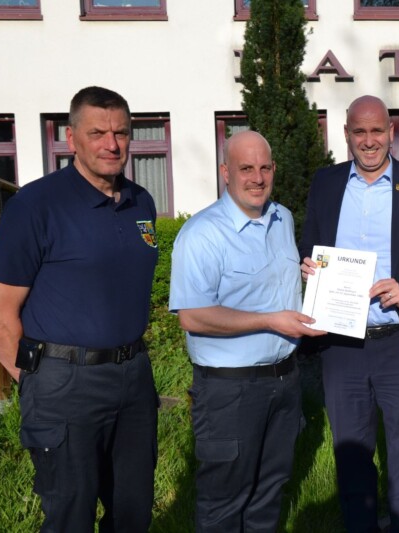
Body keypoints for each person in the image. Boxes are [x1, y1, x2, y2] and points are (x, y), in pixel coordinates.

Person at [0, 86, 159, 532]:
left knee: (133, 514)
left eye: (121, 132)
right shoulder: (35, 205)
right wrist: (34, 384)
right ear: (72, 138)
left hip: (134, 378)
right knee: (70, 517)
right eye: (98, 132)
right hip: (64, 384)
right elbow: (0, 314)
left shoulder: (142, 201)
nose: (112, 143)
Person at [299, 95, 399, 533]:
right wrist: (307, 264)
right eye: (358, 131)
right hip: (341, 346)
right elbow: (308, 244)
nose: (368, 141)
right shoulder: (326, 184)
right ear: (346, 135)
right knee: (352, 461)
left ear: (391, 133)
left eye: (376, 131)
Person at [169, 130, 326, 531]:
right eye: (245, 168)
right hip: (229, 391)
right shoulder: (202, 234)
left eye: (264, 167)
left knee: (269, 496)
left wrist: (312, 278)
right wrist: (270, 320)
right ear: (225, 172)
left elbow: (271, 285)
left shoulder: (282, 218)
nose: (257, 177)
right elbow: (192, 316)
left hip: (284, 382)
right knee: (224, 502)